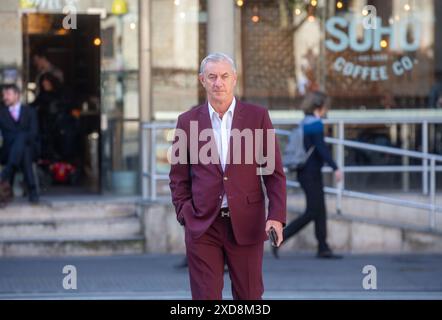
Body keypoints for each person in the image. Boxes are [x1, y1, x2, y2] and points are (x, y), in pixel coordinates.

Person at [169, 53, 286, 300]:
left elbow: (273, 174)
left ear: (234, 79)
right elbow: (178, 177)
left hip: (246, 223)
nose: (218, 83)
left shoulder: (257, 117)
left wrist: (276, 216)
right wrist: (185, 213)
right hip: (203, 225)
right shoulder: (187, 121)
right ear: (202, 80)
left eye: (224, 76)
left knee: (249, 296)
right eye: (211, 77)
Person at [273, 91, 342, 259]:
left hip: (307, 172)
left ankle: (323, 247)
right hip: (310, 173)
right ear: (320, 107)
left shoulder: (305, 122)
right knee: (312, 210)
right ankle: (281, 238)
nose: (327, 110)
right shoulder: (316, 124)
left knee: (320, 210)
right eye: (326, 106)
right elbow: (321, 148)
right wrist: (335, 167)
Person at [0, 84, 40, 204]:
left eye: (8, 94)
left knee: (23, 142)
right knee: (23, 149)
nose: (5, 97)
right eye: (3, 95)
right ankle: (33, 192)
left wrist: (20, 139)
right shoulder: (1, 113)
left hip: (28, 148)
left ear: (17, 95)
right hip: (7, 151)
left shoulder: (30, 112)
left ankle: (6, 173)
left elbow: (33, 133)